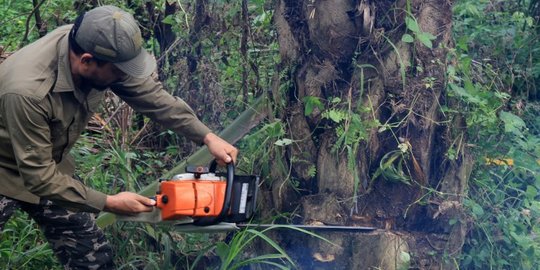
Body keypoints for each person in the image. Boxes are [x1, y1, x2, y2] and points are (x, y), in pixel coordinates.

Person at [0, 5, 237, 269]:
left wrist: (207, 137)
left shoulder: (94, 44)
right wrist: (108, 202)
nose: (125, 76)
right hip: (9, 167)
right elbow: (38, 177)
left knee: (91, 257)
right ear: (86, 61)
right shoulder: (28, 91)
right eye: (119, 71)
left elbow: (152, 98)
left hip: (49, 163)